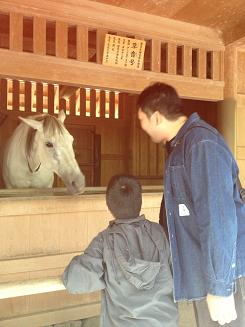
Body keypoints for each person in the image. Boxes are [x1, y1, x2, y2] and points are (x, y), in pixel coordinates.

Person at [137, 82, 245, 327]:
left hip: (226, 276)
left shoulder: (200, 145)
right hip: (210, 274)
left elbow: (218, 218)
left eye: (141, 119)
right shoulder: (182, 145)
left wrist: (220, 289)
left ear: (155, 117)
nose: (141, 126)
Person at [62, 174, 178, 327]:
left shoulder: (104, 241)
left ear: (109, 206)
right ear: (140, 202)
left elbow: (74, 282)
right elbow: (176, 272)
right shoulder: (159, 233)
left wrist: (105, 274)